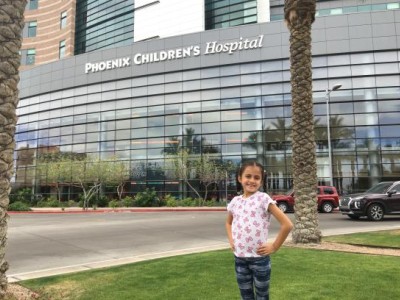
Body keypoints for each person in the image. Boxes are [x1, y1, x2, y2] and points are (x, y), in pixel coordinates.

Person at [225, 161, 293, 300]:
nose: (252, 180)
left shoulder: (263, 199)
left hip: (259, 260)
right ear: (240, 178)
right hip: (239, 259)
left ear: (261, 181)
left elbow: (287, 224)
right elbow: (228, 222)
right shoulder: (235, 202)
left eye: (256, 178)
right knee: (246, 296)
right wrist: (231, 240)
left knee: (262, 296)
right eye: (248, 176)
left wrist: (274, 246)